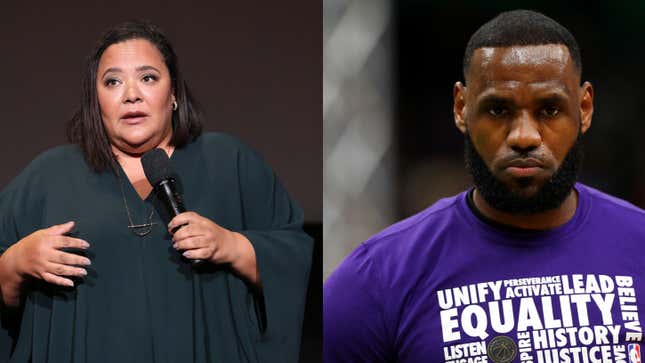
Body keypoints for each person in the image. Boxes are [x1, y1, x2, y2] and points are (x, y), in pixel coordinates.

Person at [324, 10, 645, 363]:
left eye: (550, 110)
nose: (524, 136)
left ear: (584, 108)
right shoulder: (377, 279)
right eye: (498, 110)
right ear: (461, 108)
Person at [0, 20, 312, 363]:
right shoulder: (49, 176)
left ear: (174, 93)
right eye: (113, 81)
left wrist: (232, 245)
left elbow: (295, 259)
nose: (131, 94)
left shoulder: (229, 162)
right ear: (96, 99)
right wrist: (15, 263)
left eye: (148, 78)